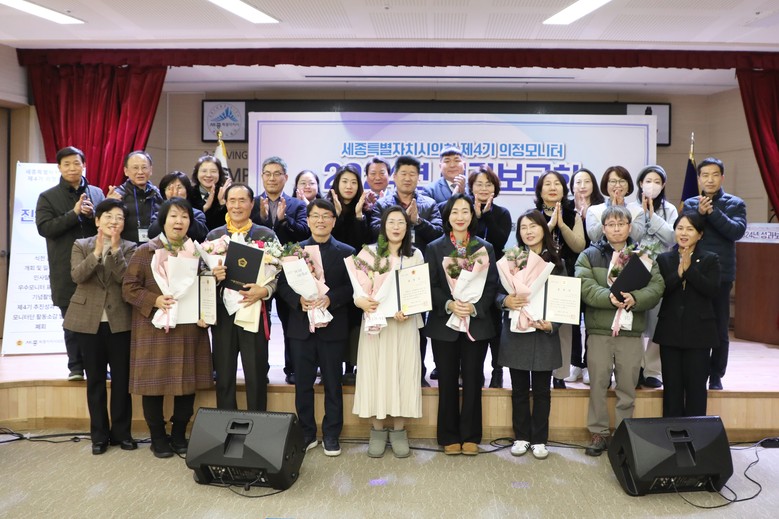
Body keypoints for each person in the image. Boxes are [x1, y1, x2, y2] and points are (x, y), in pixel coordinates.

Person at [122, 198, 220, 458]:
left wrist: (207, 310)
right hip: (154, 327)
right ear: (163, 220)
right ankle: (157, 437)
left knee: (187, 384)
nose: (179, 221)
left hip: (189, 328)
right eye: (174, 216)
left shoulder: (198, 253)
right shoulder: (145, 251)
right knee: (153, 385)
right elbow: (129, 288)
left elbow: (206, 287)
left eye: (185, 217)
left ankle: (178, 435)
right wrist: (154, 300)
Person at [575, 205, 664, 456]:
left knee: (627, 386)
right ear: (603, 229)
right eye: (611, 225)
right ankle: (598, 433)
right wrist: (609, 297)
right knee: (598, 384)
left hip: (630, 332)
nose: (616, 229)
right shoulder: (589, 255)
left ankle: (624, 434)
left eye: (621, 224)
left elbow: (657, 287)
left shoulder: (644, 256)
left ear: (629, 227)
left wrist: (636, 298)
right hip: (600, 330)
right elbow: (585, 286)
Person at [276, 199, 355, 457]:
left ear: (333, 220)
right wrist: (298, 300)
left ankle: (331, 435)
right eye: (315, 216)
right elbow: (282, 286)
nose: (321, 221)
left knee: (333, 383)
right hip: (301, 328)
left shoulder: (347, 252)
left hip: (333, 327)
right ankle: (307, 433)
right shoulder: (294, 251)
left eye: (326, 216)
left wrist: (332, 298)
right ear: (308, 220)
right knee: (303, 384)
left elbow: (353, 287)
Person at [424, 193, 498, 456]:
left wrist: (474, 307)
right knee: (446, 381)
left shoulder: (484, 248)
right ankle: (448, 435)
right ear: (447, 216)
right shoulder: (435, 247)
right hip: (444, 324)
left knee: (473, 379)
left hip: (476, 324)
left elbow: (491, 286)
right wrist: (449, 304)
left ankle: (471, 435)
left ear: (472, 215)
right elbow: (430, 285)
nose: (460, 216)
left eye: (465, 211)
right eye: (455, 211)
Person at [63, 198, 137, 454]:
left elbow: (126, 280)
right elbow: (77, 276)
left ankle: (122, 433)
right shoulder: (81, 245)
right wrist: (96, 253)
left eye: (119, 218)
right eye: (108, 217)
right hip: (88, 321)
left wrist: (114, 251)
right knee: (94, 380)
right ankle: (99, 436)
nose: (114, 222)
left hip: (120, 322)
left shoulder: (130, 248)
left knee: (121, 380)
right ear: (97, 221)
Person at [353, 206, 423, 458]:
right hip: (376, 326)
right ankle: (377, 430)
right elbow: (357, 290)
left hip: (404, 326)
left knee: (403, 374)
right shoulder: (368, 253)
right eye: (391, 222)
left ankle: (399, 431)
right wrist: (360, 302)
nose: (396, 227)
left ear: (407, 227)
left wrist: (409, 310)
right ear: (383, 226)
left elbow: (418, 292)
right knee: (375, 373)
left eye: (401, 222)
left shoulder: (415, 255)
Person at [370, 155, 444, 387]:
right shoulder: (383, 204)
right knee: (388, 324)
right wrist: (398, 224)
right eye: (403, 173)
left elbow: (439, 234)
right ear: (394, 176)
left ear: (418, 178)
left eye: (413, 174)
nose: (408, 178)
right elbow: (373, 230)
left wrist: (417, 221)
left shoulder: (428, 203)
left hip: (416, 272)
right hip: (386, 273)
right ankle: (387, 376)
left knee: (416, 324)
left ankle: (417, 373)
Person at [498, 210, 565, 460]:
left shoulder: (556, 261)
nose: (528, 231)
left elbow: (565, 299)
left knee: (542, 391)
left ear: (543, 229)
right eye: (523, 227)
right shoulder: (512, 259)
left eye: (533, 226)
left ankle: (539, 439)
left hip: (543, 333)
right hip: (517, 332)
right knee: (518, 390)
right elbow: (495, 292)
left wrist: (552, 324)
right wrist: (505, 300)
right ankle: (521, 437)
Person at [36, 146, 105, 381]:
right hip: (65, 267)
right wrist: (74, 213)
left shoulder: (97, 193)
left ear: (84, 165)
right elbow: (45, 228)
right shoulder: (47, 196)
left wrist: (93, 215)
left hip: (96, 265)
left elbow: (106, 224)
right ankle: (75, 367)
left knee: (99, 320)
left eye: (77, 163)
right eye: (66, 164)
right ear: (59, 168)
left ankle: (98, 366)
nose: (72, 168)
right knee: (72, 320)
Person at [208, 183, 277, 412]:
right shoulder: (214, 236)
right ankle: (226, 424)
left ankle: (258, 425)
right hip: (223, 315)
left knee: (256, 374)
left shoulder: (266, 235)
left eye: (242, 200)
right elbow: (202, 275)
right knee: (224, 375)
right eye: (232, 200)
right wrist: (213, 276)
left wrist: (265, 291)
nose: (237, 206)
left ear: (251, 203)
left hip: (254, 311)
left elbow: (280, 273)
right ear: (226, 203)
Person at [682, 157, 747, 390]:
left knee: (719, 327)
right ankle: (695, 371)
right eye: (705, 175)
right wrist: (699, 214)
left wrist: (712, 212)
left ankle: (716, 374)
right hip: (694, 271)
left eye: (715, 175)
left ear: (722, 177)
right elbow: (686, 232)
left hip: (721, 274)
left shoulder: (735, 203)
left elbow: (736, 232)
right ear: (699, 179)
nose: (710, 179)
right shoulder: (691, 203)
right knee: (693, 324)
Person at [250, 156, 310, 385]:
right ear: (262, 176)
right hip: (260, 273)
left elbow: (304, 233)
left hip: (288, 273)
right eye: (268, 174)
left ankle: (292, 368)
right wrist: (263, 219)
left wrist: (284, 221)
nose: (272, 178)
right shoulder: (253, 203)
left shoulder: (297, 204)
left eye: (277, 174)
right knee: (259, 323)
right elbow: (249, 232)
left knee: (290, 322)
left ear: (286, 177)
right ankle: (260, 369)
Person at [654, 212, 721, 417]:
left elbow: (712, 290)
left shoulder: (710, 259)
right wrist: (679, 274)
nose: (683, 233)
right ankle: (672, 433)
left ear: (700, 234)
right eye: (680, 228)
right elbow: (660, 291)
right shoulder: (664, 259)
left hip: (699, 333)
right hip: (670, 331)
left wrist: (690, 270)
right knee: (671, 389)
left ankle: (696, 434)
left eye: (690, 229)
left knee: (696, 390)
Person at [627, 165, 678, 389]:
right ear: (640, 183)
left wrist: (652, 215)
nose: (652, 185)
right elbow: (631, 236)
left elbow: (671, 238)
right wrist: (641, 214)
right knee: (635, 318)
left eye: (657, 182)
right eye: (648, 181)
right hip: (634, 268)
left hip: (661, 269)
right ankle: (637, 366)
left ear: (663, 185)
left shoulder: (670, 209)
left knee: (658, 321)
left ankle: (653, 369)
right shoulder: (631, 208)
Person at [534, 170, 586, 389]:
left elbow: (579, 245)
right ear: (540, 191)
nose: (553, 187)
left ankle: (560, 374)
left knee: (563, 329)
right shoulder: (533, 216)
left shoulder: (573, 215)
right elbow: (528, 243)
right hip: (537, 277)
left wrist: (561, 224)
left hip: (566, 277)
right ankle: (540, 371)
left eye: (557, 183)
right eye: (547, 184)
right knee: (538, 326)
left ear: (564, 191)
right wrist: (549, 226)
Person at [328, 164, 372, 384]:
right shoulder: (327, 209)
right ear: (337, 184)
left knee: (355, 320)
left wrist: (358, 215)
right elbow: (328, 241)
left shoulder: (366, 210)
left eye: (354, 182)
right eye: (344, 181)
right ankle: (331, 365)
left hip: (358, 276)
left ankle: (352, 365)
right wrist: (336, 215)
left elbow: (362, 245)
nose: (349, 186)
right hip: (333, 275)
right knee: (335, 319)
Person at [469, 165, 512, 388]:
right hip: (467, 276)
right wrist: (475, 217)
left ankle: (497, 370)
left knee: (495, 325)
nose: (483, 188)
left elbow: (499, 241)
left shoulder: (502, 213)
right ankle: (471, 370)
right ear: (471, 187)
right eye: (479, 184)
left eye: (488, 184)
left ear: (495, 188)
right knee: (472, 322)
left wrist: (487, 215)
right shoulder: (465, 211)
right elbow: (466, 242)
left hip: (494, 277)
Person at [565, 168, 604, 384]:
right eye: (578, 182)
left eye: (586, 181)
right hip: (571, 270)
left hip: (595, 269)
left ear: (593, 184)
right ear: (572, 186)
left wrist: (588, 216)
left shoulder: (602, 208)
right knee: (571, 318)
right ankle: (574, 363)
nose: (582, 185)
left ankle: (589, 364)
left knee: (591, 319)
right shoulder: (566, 209)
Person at [107, 150, 164, 244]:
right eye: (135, 168)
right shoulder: (117, 195)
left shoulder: (158, 194)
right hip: (126, 249)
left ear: (151, 170)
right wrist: (108, 205)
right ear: (126, 171)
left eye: (144, 167)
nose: (140, 172)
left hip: (154, 248)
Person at [585, 165, 643, 244]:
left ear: (628, 185)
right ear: (606, 185)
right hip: (601, 251)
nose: (618, 185)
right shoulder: (593, 210)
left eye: (622, 181)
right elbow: (594, 237)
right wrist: (611, 210)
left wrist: (622, 210)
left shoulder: (638, 211)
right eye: (613, 181)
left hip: (629, 251)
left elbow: (637, 237)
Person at [149, 171, 209, 242]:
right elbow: (152, 234)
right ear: (164, 193)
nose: (175, 192)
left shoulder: (197, 214)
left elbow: (200, 235)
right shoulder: (158, 214)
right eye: (170, 188)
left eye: (179, 187)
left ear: (187, 191)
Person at [189, 155, 230, 231]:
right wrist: (205, 207)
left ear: (219, 174)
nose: (208, 175)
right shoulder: (188, 193)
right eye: (204, 171)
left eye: (213, 171)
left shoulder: (226, 194)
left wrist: (222, 204)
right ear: (196, 173)